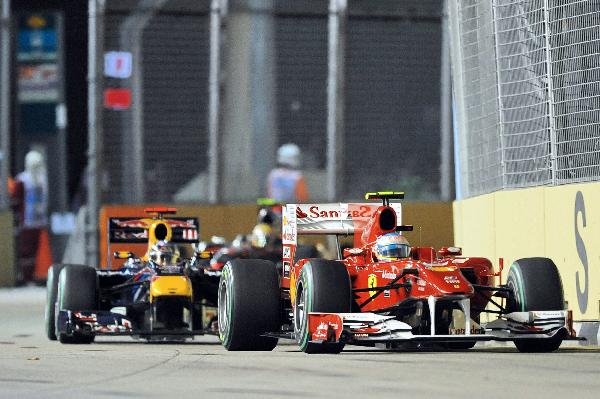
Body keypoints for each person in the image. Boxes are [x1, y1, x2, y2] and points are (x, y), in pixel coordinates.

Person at [14, 150, 51, 284]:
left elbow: (46, 200)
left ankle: (31, 275)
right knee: (25, 250)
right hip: (26, 221)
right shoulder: (23, 179)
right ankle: (25, 276)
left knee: (34, 250)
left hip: (38, 220)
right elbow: (16, 199)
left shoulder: (42, 179)